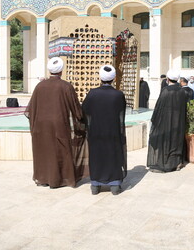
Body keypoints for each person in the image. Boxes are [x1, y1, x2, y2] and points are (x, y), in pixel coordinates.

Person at [25, 57, 86, 189]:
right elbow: (76, 109)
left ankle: (44, 178)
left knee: (45, 150)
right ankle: (59, 179)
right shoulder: (66, 86)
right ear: (61, 71)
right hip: (59, 124)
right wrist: (83, 120)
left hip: (40, 126)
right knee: (60, 150)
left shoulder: (39, 86)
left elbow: (30, 110)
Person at [82, 65, 127, 195]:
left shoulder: (92, 93)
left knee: (97, 157)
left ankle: (96, 185)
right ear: (113, 79)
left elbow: (85, 110)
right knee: (113, 155)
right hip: (113, 132)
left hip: (96, 132)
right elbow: (121, 113)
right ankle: (114, 185)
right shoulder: (118, 95)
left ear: (100, 78)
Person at [147, 69, 188, 172]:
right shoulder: (182, 91)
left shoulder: (166, 91)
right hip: (178, 123)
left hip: (166, 123)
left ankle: (165, 163)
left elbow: (158, 108)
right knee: (176, 142)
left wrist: (155, 120)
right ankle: (176, 163)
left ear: (168, 79)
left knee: (165, 143)